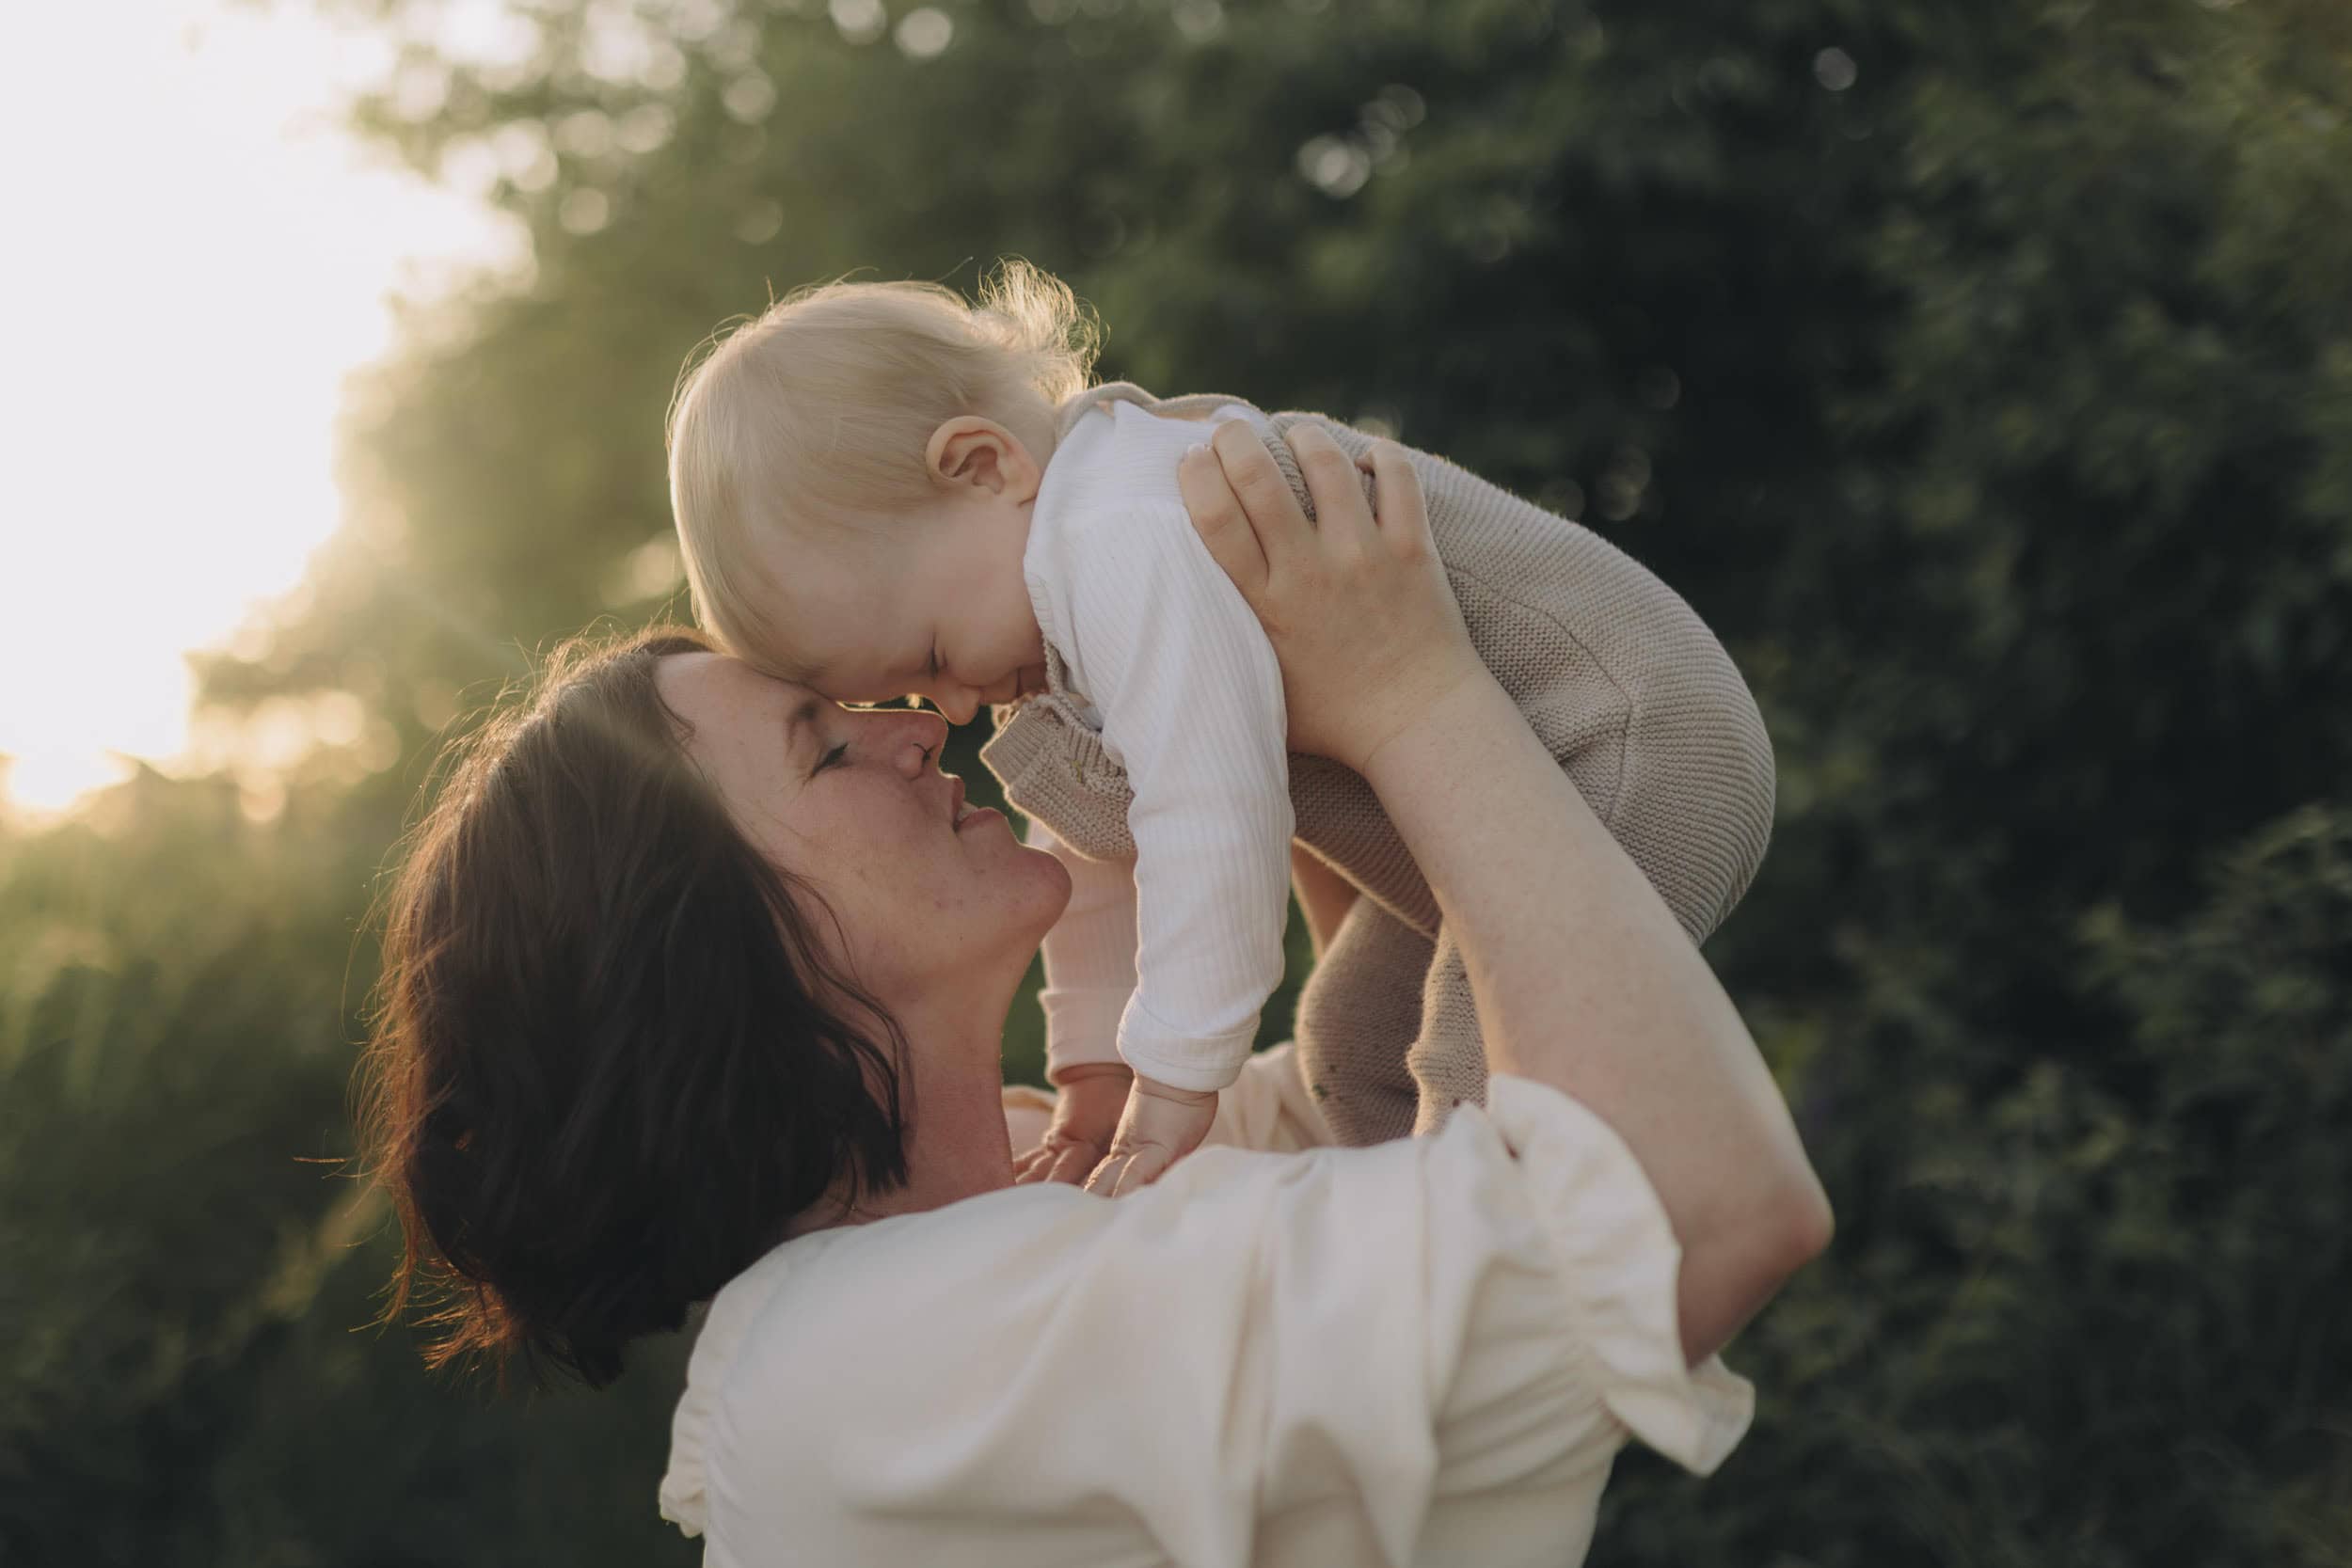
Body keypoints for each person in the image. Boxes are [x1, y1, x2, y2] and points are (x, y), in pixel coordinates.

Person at [357, 421, 1831, 1566]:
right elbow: (1691, 1211)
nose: (919, 733)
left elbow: (1363, 1108)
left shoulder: (1012, 1206)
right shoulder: (875, 1363)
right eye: (825, 745)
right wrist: (1409, 691)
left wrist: (1227, 689)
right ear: (708, 958)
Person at [665, 261, 1776, 1192]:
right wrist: (1093, 1072)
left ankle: (1461, 1302)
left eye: (932, 659)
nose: (952, 708)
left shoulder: (1124, 529)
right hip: (1535, 776)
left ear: (983, 466)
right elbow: (1097, 847)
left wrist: (1177, 1070)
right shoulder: (1055, 582)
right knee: (1354, 1038)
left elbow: (1209, 809)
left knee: (1470, 1050)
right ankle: (1386, 1269)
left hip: (1624, 742)